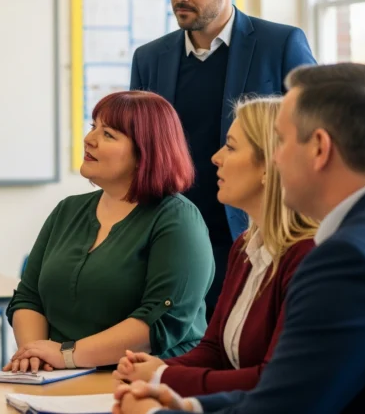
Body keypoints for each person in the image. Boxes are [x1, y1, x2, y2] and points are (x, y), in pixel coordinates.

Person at [115, 63, 365, 413]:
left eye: (282, 141)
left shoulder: (349, 258)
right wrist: (191, 406)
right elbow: (298, 387)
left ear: (319, 148)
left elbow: (284, 403)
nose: (277, 158)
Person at [130, 0, 317, 319]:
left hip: (257, 238)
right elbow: (138, 151)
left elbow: (313, 136)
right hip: (173, 240)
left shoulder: (280, 44)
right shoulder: (149, 59)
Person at [114, 97, 318, 396]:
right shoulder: (245, 247)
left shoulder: (307, 256)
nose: (216, 157)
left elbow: (273, 380)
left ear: (271, 165)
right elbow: (214, 350)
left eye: (232, 147)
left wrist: (162, 376)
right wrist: (153, 368)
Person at [4, 91, 214, 373]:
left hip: (147, 381)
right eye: (93, 127)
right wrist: (35, 354)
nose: (89, 139)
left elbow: (161, 321)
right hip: (57, 375)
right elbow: (29, 297)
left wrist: (67, 354)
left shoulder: (177, 219)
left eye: (109, 134)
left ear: (145, 152)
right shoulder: (68, 210)